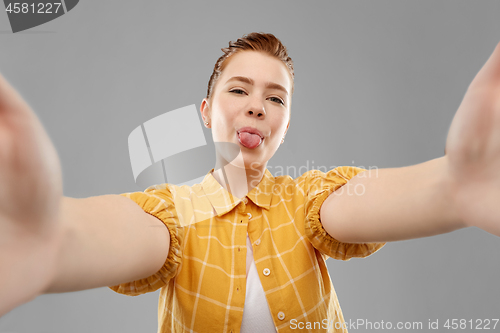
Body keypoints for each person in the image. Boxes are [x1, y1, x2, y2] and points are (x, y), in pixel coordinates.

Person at [0, 32, 499, 333]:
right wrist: (54, 239)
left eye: (276, 98)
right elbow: (124, 234)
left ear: (285, 126)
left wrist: (454, 185)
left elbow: (362, 205)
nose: (257, 105)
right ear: (206, 111)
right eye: (238, 90)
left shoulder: (309, 201)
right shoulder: (173, 212)